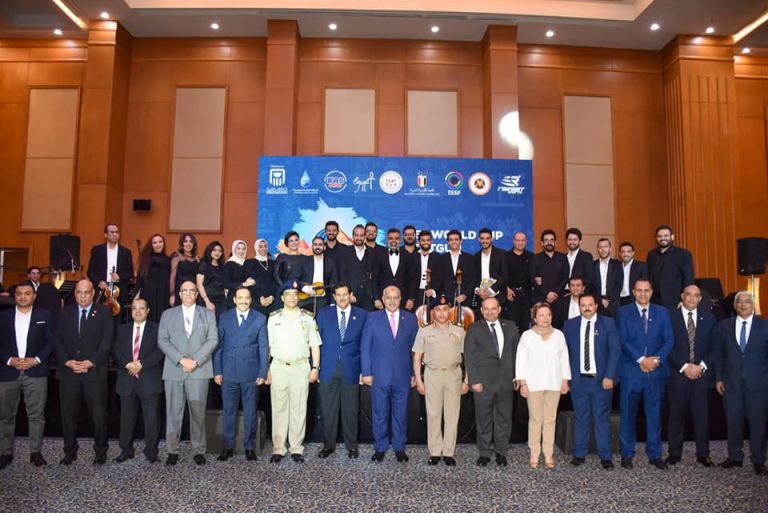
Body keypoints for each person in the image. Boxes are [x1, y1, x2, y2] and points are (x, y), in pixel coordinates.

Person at [158, 281, 218, 466]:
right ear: (180, 294)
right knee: (173, 412)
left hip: (199, 370)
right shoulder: (168, 314)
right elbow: (162, 340)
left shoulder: (208, 314)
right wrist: (181, 360)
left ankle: (198, 450)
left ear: (197, 294)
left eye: (192, 291)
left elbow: (213, 339)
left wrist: (195, 361)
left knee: (198, 413)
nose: (189, 294)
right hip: (174, 369)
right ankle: (172, 450)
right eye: (185, 291)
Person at [615, 278, 673, 470]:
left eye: (646, 290)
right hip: (631, 371)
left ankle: (655, 454)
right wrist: (641, 360)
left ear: (651, 292)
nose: (643, 293)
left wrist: (655, 361)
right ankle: (627, 453)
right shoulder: (623, 312)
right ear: (633, 292)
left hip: (655, 372)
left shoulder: (662, 312)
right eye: (639, 290)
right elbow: (623, 340)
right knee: (628, 415)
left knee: (654, 415)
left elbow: (669, 340)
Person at [54, 279, 113, 465]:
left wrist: (92, 362)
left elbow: (107, 341)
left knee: (99, 416)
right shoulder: (64, 312)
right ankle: (69, 452)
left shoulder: (104, 312)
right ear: (75, 294)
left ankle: (100, 452)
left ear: (93, 293)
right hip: (69, 373)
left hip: (94, 373)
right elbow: (57, 340)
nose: (83, 296)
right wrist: (67, 361)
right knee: (68, 416)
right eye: (79, 292)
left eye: (86, 292)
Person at [361, 285, 419, 462]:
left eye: (395, 297)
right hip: (379, 375)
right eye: (388, 297)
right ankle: (380, 447)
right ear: (383, 299)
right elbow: (365, 347)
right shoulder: (372, 318)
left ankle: (399, 447)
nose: (392, 301)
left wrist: (414, 373)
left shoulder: (410, 319)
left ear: (400, 299)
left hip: (402, 375)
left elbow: (415, 350)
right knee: (379, 413)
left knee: (400, 414)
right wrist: (366, 372)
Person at [266, 281, 322, 463]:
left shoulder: (308, 318)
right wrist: (265, 368)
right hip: (279, 367)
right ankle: (279, 448)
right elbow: (268, 346)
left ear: (299, 297)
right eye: (288, 294)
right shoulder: (273, 318)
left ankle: (296, 448)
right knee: (279, 409)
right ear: (282, 298)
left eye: (294, 294)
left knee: (299, 409)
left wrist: (315, 368)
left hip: (300, 367)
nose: (291, 297)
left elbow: (315, 345)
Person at [0, 282, 54, 468]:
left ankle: (35, 452)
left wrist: (36, 359)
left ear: (34, 296)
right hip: (8, 372)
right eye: (19, 293)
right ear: (14, 296)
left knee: (36, 415)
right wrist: (9, 360)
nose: (23, 296)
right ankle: (5, 452)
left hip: (36, 372)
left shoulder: (45, 316)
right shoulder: (3, 316)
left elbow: (51, 342)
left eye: (27, 293)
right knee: (5, 416)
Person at [564, 293, 620, 469]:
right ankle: (579, 454)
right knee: (580, 418)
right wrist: (566, 379)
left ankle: (605, 456)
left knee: (602, 418)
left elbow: (615, 350)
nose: (586, 308)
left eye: (590, 304)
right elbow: (564, 354)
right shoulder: (570, 325)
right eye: (583, 305)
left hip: (602, 381)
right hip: (578, 381)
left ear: (596, 306)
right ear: (579, 307)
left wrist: (610, 376)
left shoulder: (608, 323)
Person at [716, 291, 768, 475]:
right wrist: (718, 378)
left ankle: (759, 459)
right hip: (731, 383)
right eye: (740, 301)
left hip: (759, 384)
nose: (743, 304)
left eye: (747, 301)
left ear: (753, 305)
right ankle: (735, 457)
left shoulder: (765, 325)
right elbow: (718, 354)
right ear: (734, 305)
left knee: (758, 423)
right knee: (733, 421)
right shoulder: (724, 326)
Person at [213, 287, 268, 462]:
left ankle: (249, 447)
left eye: (247, 298)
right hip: (228, 372)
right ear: (234, 300)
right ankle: (227, 446)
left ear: (250, 300)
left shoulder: (259, 318)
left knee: (250, 412)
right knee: (229, 411)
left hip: (251, 373)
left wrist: (262, 371)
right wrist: (217, 370)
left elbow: (263, 347)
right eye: (240, 297)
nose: (243, 301)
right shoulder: (224, 317)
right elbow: (218, 346)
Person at [666, 284, 718, 467]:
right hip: (678, 374)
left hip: (701, 376)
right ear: (682, 296)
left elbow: (715, 348)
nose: (692, 298)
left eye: (696, 295)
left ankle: (703, 454)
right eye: (688, 294)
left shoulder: (710, 319)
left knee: (702, 416)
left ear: (700, 299)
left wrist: (700, 367)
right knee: (676, 416)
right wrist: (684, 366)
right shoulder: (670, 317)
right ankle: (674, 453)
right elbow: (667, 344)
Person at [463, 296, 519, 467]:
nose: (489, 312)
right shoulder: (474, 329)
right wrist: (474, 380)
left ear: (499, 309)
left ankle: (501, 452)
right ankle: (484, 453)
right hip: (483, 382)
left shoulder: (510, 326)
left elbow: (516, 353)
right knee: (483, 419)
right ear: (481, 310)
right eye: (486, 309)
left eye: (493, 308)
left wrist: (518, 376)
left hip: (506, 381)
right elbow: (469, 356)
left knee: (504, 419)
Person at [412, 295, 467, 465]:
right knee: (433, 414)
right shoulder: (424, 330)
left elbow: (469, 357)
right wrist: (419, 380)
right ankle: (435, 451)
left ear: (450, 310)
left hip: (453, 375)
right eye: (438, 310)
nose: (442, 313)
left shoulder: (459, 330)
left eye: (445, 309)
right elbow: (417, 357)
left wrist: (466, 380)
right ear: (433, 312)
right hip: (432, 375)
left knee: (452, 415)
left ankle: (449, 452)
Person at [315, 283, 368, 459]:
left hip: (351, 369)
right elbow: (315, 343)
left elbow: (365, 346)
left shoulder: (362, 315)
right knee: (328, 410)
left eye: (345, 294)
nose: (342, 298)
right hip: (328, 368)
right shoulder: (323, 314)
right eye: (339, 295)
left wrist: (364, 370)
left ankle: (352, 446)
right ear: (334, 296)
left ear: (351, 295)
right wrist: (315, 367)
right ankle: (328, 445)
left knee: (351, 410)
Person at [516, 302, 571, 469]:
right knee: (535, 419)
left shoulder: (559, 335)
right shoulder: (527, 336)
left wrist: (565, 380)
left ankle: (548, 453)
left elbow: (564, 359)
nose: (545, 318)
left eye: (548, 315)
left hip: (554, 383)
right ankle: (534, 452)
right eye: (541, 315)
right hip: (533, 384)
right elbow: (520, 360)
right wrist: (522, 383)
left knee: (550, 420)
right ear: (534, 318)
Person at [113, 298, 164, 464]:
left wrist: (141, 364)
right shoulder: (122, 329)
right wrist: (127, 364)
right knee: (126, 419)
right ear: (131, 311)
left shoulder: (157, 328)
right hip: (126, 380)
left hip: (149, 380)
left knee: (151, 419)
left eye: (141, 308)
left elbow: (160, 351)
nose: (138, 311)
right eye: (135, 308)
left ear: (147, 311)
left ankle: (151, 451)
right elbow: (116, 350)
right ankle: (126, 450)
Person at [86, 223, 134, 311]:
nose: (115, 234)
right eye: (112, 232)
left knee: (118, 316)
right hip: (102, 289)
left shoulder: (126, 252)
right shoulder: (97, 250)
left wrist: (119, 277)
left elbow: (130, 272)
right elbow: (90, 271)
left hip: (119, 291)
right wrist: (99, 282)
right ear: (105, 235)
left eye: (117, 232)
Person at [647, 225, 694, 309]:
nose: (663, 238)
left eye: (666, 236)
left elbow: (688, 279)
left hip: (674, 300)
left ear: (672, 237)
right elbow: (649, 276)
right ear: (656, 238)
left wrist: (683, 299)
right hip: (654, 300)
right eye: (660, 236)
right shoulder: (651, 254)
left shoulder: (683, 254)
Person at [371, 228, 417, 311]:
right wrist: (376, 298)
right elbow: (374, 279)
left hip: (403, 300)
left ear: (400, 240)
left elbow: (412, 279)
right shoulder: (378, 255)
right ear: (387, 240)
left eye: (396, 238)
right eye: (390, 238)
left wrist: (411, 299)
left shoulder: (408, 256)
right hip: (383, 300)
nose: (393, 241)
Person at [135, 234, 171, 322]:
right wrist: (136, 295)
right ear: (151, 245)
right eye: (155, 243)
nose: (158, 244)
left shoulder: (168, 259)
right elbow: (140, 278)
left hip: (163, 293)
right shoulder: (146, 258)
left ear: (164, 244)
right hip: (148, 293)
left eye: (160, 242)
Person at [338, 224, 375, 311]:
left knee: (368, 318)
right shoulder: (344, 252)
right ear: (353, 236)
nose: (359, 238)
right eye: (356, 235)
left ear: (365, 236)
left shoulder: (372, 252)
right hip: (351, 295)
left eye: (361, 235)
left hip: (368, 296)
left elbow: (375, 274)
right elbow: (342, 274)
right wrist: (348, 293)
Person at [299, 236, 338, 312]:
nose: (317, 247)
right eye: (315, 244)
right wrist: (304, 288)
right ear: (312, 246)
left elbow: (334, 283)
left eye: (320, 245)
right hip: (306, 298)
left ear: (324, 247)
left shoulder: (331, 263)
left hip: (323, 299)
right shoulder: (303, 261)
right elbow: (296, 279)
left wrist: (333, 302)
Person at [472, 228, 508, 311]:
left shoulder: (501, 254)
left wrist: (491, 290)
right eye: (482, 238)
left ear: (492, 239)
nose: (485, 241)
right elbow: (474, 277)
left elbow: (505, 275)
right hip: (481, 297)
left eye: (487, 238)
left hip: (498, 296)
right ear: (479, 239)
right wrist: (477, 290)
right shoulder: (476, 256)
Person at [529, 229, 568, 305]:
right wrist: (547, 293)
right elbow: (532, 278)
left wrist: (554, 293)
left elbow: (565, 278)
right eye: (546, 240)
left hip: (558, 298)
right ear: (542, 243)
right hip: (540, 298)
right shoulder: (535, 258)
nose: (549, 243)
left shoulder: (563, 257)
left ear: (555, 242)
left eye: (551, 240)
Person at [505, 231, 533, 335]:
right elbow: (500, 275)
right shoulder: (505, 256)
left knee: (525, 325)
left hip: (527, 295)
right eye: (518, 240)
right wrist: (506, 288)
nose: (520, 243)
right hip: (511, 295)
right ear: (513, 241)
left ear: (526, 241)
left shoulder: (532, 256)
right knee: (512, 325)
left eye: (523, 240)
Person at [442, 230, 478, 311]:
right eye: (451, 240)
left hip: (465, 299)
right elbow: (439, 279)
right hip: (446, 301)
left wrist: (465, 294)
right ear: (448, 242)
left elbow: (473, 279)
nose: (454, 242)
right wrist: (444, 297)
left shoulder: (470, 258)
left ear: (461, 241)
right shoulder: (442, 258)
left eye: (456, 239)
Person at [413, 230, 447, 309]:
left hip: (432, 295)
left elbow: (441, 278)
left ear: (431, 242)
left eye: (428, 240)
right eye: (423, 240)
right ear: (419, 242)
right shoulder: (412, 256)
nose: (426, 242)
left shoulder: (439, 258)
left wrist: (433, 291)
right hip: (416, 295)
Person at [273, 231, 306, 308]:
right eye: (291, 241)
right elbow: (275, 275)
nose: (294, 243)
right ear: (287, 243)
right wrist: (285, 288)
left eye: (296, 240)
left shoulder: (305, 258)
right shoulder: (281, 257)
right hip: (284, 293)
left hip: (301, 295)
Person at [244, 239, 277, 316]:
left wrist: (271, 297)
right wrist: (261, 297)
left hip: (272, 301)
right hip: (256, 300)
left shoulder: (273, 263)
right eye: (260, 247)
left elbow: (275, 281)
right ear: (256, 248)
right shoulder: (250, 263)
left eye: (265, 246)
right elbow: (251, 282)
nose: (263, 249)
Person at [196, 241, 227, 319]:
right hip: (206, 300)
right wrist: (207, 301)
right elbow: (199, 284)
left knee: (220, 322)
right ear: (209, 251)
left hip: (221, 301)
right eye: (214, 250)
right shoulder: (204, 265)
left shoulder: (222, 266)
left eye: (220, 251)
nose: (217, 253)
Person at [592, 238, 622, 317]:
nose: (603, 250)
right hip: (597, 303)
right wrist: (600, 300)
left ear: (610, 249)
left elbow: (619, 284)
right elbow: (590, 285)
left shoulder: (618, 264)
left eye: (605, 247)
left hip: (613, 304)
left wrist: (608, 300)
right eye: (600, 247)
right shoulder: (592, 265)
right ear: (597, 249)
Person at [169, 233, 200, 307]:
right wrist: (172, 295)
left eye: (191, 241)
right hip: (180, 292)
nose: (188, 244)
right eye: (185, 241)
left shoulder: (197, 259)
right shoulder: (177, 257)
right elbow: (172, 278)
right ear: (181, 244)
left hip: (193, 291)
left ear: (194, 244)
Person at [223, 240, 256, 308]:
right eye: (238, 248)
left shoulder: (247, 263)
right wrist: (243, 284)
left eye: (243, 249)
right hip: (234, 298)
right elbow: (226, 284)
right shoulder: (229, 264)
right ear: (234, 249)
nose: (241, 251)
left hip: (247, 297)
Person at [618, 241, 647, 306]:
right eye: (623, 252)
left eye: (628, 251)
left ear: (633, 253)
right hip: (619, 300)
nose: (626, 254)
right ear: (619, 254)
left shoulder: (641, 266)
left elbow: (645, 284)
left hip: (635, 299)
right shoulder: (617, 267)